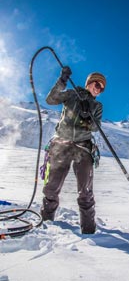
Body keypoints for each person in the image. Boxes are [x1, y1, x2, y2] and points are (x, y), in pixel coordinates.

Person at [41, 66, 106, 234]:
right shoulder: (71, 95)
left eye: (102, 88)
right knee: (51, 187)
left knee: (85, 191)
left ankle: (89, 231)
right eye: (97, 85)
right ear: (89, 83)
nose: (99, 90)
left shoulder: (97, 106)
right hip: (61, 144)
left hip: (82, 148)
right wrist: (62, 81)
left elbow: (95, 127)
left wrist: (87, 116)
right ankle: (45, 225)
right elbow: (51, 99)